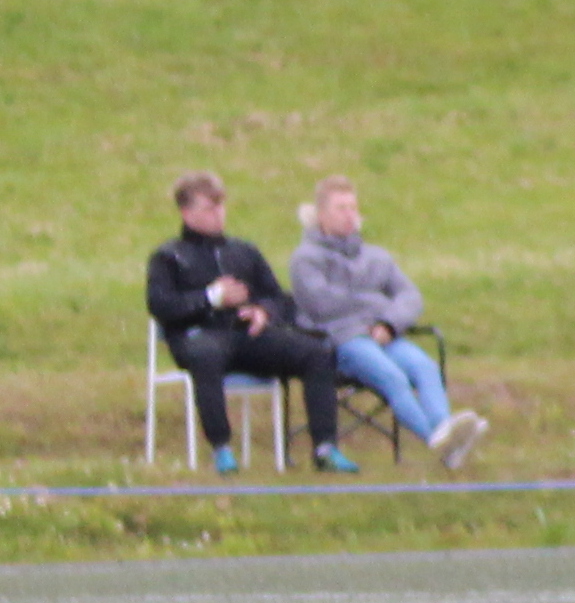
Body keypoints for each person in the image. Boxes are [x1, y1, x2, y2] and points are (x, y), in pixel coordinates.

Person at [146, 171, 350, 475]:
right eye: (209, 208)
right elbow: (161, 305)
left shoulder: (243, 251)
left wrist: (262, 312)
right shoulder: (169, 256)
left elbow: (279, 298)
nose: (218, 214)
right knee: (206, 356)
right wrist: (211, 298)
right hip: (198, 337)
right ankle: (221, 448)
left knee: (316, 352)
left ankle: (325, 448)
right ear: (186, 213)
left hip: (247, 336)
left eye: (220, 206)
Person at [289, 175, 489, 471]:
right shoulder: (305, 259)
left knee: (425, 367)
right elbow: (321, 304)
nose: (349, 215)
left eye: (353, 208)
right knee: (392, 377)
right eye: (341, 208)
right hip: (341, 342)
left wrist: (389, 323)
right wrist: (376, 308)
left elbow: (410, 296)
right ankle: (437, 439)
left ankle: (447, 432)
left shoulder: (377, 257)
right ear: (321, 215)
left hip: (384, 336)